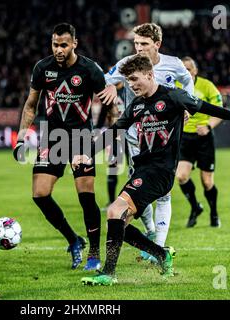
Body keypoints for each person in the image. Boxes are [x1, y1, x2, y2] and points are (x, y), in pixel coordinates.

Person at [76, 54, 230, 285]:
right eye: (128, 81)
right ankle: (162, 255)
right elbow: (115, 130)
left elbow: (207, 107)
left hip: (160, 171)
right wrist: (88, 153)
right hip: (143, 170)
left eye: (135, 79)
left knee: (115, 210)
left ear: (150, 74)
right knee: (118, 223)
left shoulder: (173, 95)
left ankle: (108, 274)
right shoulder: (137, 104)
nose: (131, 85)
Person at [13, 23, 113, 270]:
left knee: (86, 196)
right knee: (40, 194)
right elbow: (30, 106)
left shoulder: (90, 70)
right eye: (55, 44)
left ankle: (94, 252)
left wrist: (111, 138)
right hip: (53, 136)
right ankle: (73, 239)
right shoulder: (42, 68)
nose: (58, 49)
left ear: (74, 44)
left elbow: (111, 106)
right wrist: (21, 138)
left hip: (81, 138)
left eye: (64, 45)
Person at [97, 23, 194, 262]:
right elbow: (104, 79)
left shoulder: (174, 64)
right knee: (138, 193)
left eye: (144, 44)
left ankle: (158, 245)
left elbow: (187, 80)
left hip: (165, 138)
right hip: (135, 138)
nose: (138, 48)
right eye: (136, 43)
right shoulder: (127, 64)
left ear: (157, 44)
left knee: (163, 193)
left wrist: (188, 105)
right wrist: (109, 84)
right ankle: (151, 233)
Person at [176, 57, 224, 228]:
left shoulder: (207, 86)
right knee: (181, 176)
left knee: (207, 182)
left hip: (204, 139)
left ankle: (214, 213)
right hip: (184, 139)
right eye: (184, 69)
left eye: (189, 69)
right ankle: (195, 207)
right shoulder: (175, 85)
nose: (187, 72)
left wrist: (208, 126)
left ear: (195, 71)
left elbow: (219, 110)